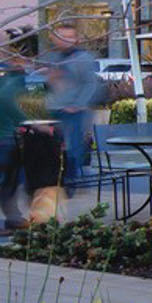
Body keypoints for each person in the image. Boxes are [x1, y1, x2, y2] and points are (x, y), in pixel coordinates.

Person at [41, 22, 100, 191]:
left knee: (72, 150)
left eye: (68, 37)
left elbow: (90, 83)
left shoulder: (82, 58)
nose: (64, 41)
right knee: (50, 151)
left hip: (72, 112)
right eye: (60, 37)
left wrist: (77, 105)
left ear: (76, 39)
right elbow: (44, 84)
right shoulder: (51, 58)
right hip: (52, 110)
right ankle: (55, 185)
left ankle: (70, 186)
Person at [0, 63, 26, 229]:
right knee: (9, 182)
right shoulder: (12, 87)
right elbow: (16, 112)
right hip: (6, 140)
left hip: (6, 138)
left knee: (8, 182)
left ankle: (14, 217)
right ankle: (14, 218)